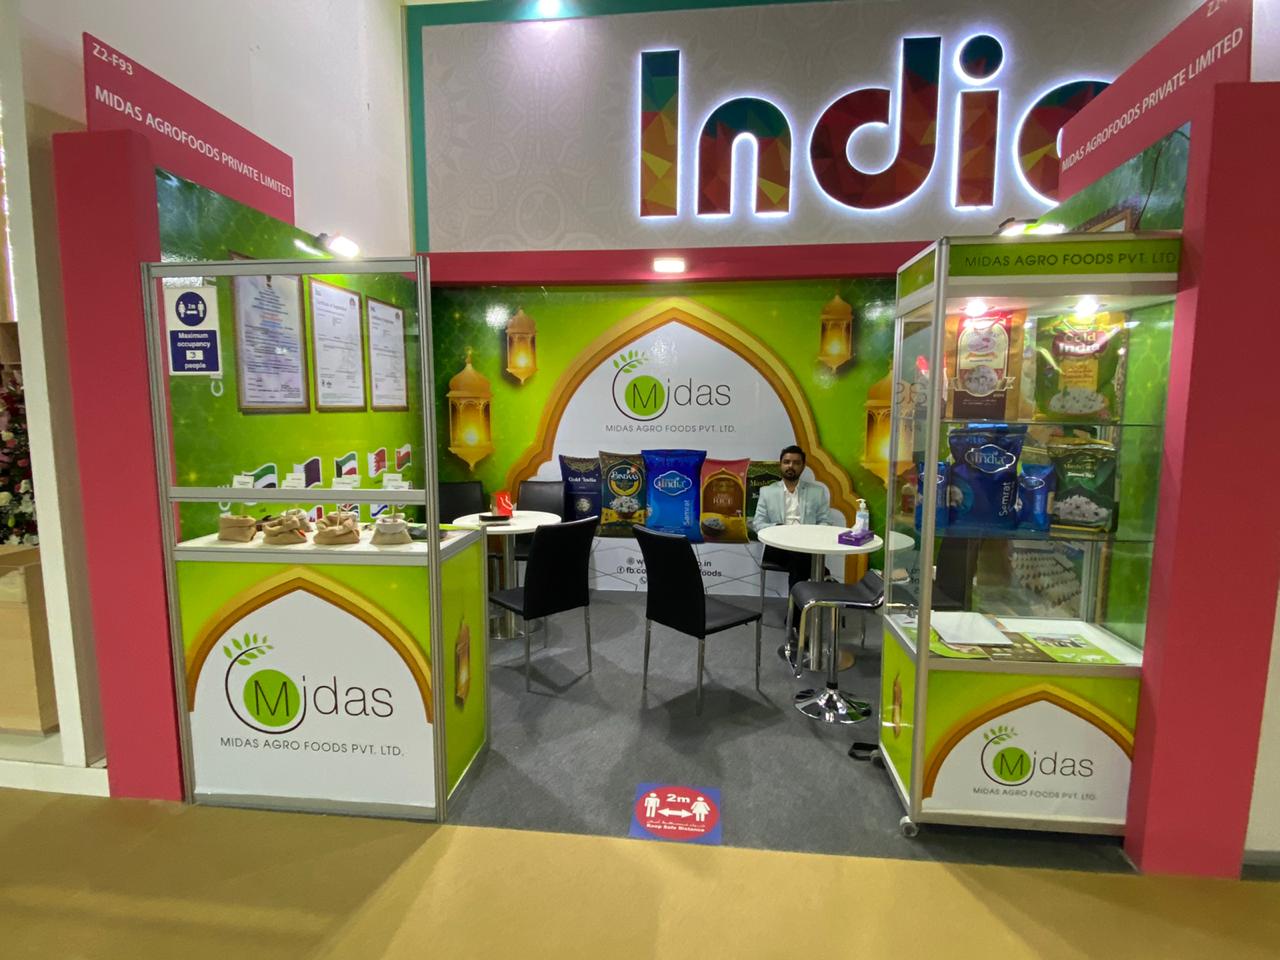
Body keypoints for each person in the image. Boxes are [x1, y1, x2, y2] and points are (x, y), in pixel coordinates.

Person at [751, 444, 838, 629]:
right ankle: (821, 577)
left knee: (799, 562)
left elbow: (826, 522)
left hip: (806, 545)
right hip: (778, 547)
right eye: (787, 462)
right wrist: (777, 530)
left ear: (803, 466)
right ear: (780, 465)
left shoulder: (816, 492)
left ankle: (795, 619)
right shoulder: (768, 492)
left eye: (796, 463)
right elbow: (758, 523)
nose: (791, 466)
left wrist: (812, 534)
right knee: (803, 562)